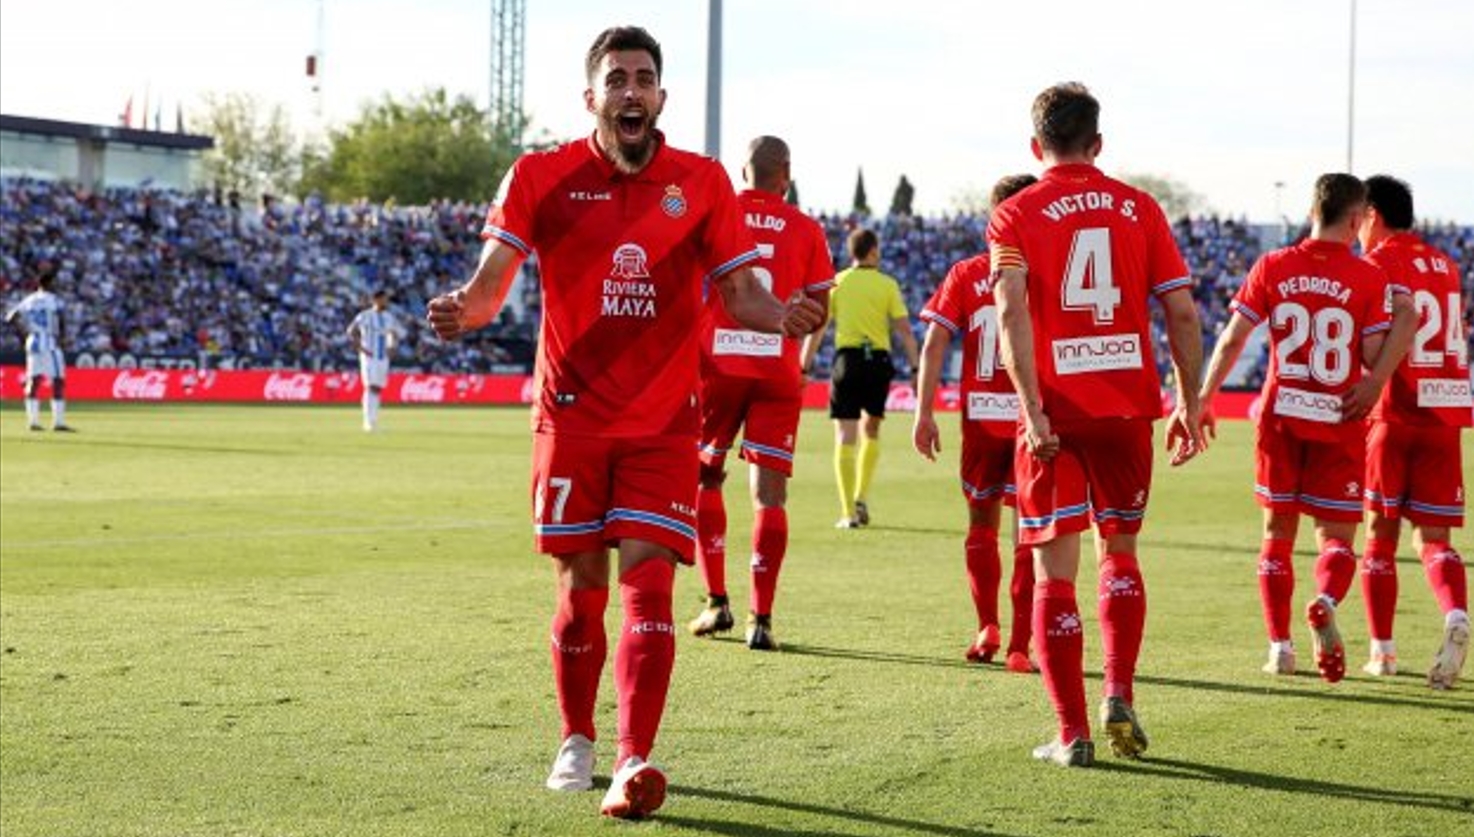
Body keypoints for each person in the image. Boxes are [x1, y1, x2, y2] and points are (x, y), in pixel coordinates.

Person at [424, 26, 824, 820]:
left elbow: (742, 294)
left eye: (644, 78)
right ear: (592, 98)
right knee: (581, 592)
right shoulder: (541, 175)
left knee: (650, 587)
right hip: (570, 419)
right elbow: (492, 280)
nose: (631, 90)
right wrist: (468, 308)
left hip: (664, 422)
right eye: (617, 79)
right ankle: (575, 738)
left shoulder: (702, 182)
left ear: (661, 97)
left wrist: (782, 314)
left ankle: (633, 758)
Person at [987, 82, 1206, 767]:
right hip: (1125, 407)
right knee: (1121, 552)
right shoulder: (1141, 208)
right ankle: (1118, 690)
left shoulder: (1015, 213)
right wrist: (1190, 401)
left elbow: (1010, 310)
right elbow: (1182, 311)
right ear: (1099, 143)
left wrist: (1030, 408)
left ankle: (1071, 732)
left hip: (1055, 408)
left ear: (1035, 147)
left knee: (1054, 571)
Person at [1196, 173, 1414, 685]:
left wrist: (1204, 397)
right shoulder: (1367, 277)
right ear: (1357, 218)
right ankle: (1326, 600)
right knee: (1336, 539)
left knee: (1276, 535)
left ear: (1313, 211)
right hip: (1339, 417)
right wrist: (1379, 375)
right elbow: (1372, 353)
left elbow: (1232, 339)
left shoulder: (1273, 265)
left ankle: (1280, 648)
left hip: (1281, 418)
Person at [686, 135, 834, 652]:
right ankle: (761, 618)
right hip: (777, 369)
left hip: (716, 364)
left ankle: (715, 601)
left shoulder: (716, 214)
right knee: (770, 497)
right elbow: (819, 310)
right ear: (786, 174)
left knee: (705, 475)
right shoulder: (807, 228)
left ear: (742, 171)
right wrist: (796, 339)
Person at [913, 173, 1039, 673]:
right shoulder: (1044, 270)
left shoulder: (965, 273)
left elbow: (934, 343)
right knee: (1031, 531)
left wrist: (924, 412)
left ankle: (987, 625)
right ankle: (1021, 646)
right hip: (1032, 419)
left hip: (982, 420)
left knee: (981, 525)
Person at [1355, 174, 1469, 689]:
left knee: (1380, 537)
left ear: (1373, 215)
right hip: (1445, 412)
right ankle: (1456, 614)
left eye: (1359, 219)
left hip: (1394, 411)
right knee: (1436, 539)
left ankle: (1382, 651)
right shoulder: (1445, 264)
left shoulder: (1378, 263)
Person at [800, 227, 919, 529]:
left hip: (848, 361)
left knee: (845, 435)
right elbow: (905, 331)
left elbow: (818, 328)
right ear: (873, 251)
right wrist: (916, 369)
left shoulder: (838, 283)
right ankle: (861, 496)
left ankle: (848, 513)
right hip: (878, 362)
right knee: (872, 429)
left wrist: (804, 366)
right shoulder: (887, 284)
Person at [5, 271, 74, 432]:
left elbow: (10, 317)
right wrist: (63, 338)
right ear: (49, 283)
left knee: (34, 381)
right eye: (54, 282)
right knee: (58, 380)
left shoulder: (29, 300)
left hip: (33, 341)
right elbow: (62, 319)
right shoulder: (54, 300)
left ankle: (33, 422)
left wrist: (23, 333)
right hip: (49, 342)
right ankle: (58, 423)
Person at [346, 288, 405, 432]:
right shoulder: (365, 316)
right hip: (369, 356)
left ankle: (373, 421)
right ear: (375, 300)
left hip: (383, 357)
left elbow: (395, 333)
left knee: (377, 388)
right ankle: (368, 422)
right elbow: (351, 331)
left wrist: (392, 347)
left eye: (387, 299)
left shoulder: (389, 317)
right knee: (370, 387)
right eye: (384, 299)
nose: (386, 302)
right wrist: (360, 348)